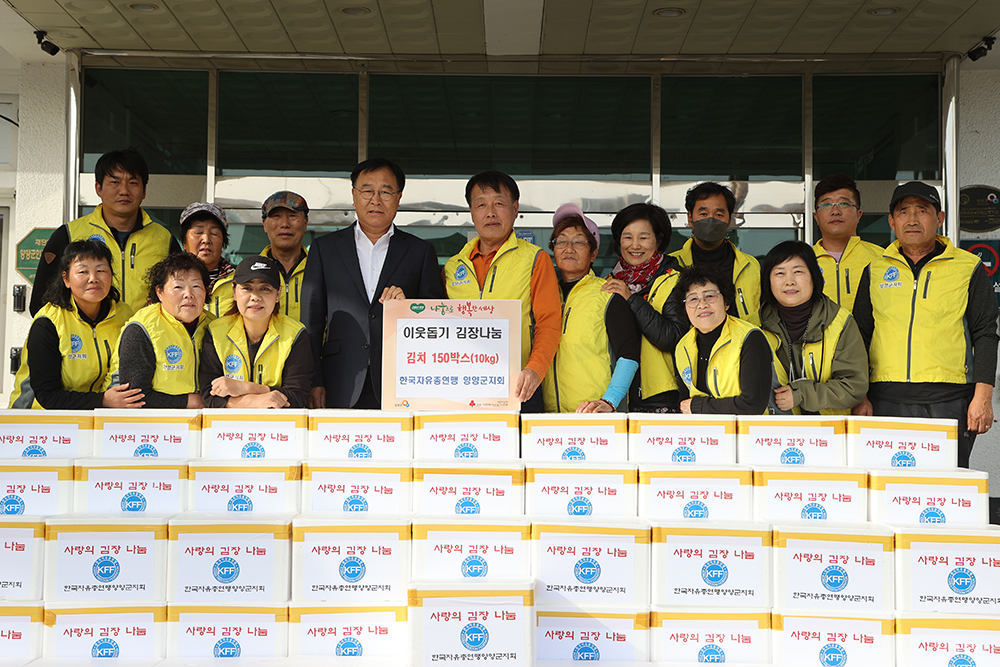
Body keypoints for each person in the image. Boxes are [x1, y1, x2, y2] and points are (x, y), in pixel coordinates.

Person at [852, 181, 999, 468]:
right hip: (885, 398)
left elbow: (985, 334)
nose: (913, 218)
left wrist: (983, 397)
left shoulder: (968, 267)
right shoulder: (875, 268)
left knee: (944, 485)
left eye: (923, 210)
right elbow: (861, 334)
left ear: (939, 218)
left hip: (949, 397)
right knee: (888, 485)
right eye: (903, 211)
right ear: (892, 221)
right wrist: (861, 395)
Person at [301, 158, 444, 409]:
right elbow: (311, 323)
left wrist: (409, 307)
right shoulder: (325, 249)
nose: (376, 199)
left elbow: (437, 318)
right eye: (367, 191)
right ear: (354, 196)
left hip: (402, 380)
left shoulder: (420, 251)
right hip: (339, 378)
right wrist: (315, 380)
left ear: (398, 199)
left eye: (386, 191)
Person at [443, 170, 561, 412]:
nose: (490, 212)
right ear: (471, 212)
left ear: (515, 208)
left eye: (499, 203)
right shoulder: (454, 266)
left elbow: (549, 323)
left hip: (519, 388)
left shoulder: (535, 259)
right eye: (481, 204)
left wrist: (535, 370)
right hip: (463, 387)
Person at [30, 148, 181, 316]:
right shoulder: (68, 235)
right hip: (87, 339)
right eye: (114, 182)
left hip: (147, 339)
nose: (124, 190)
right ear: (98, 188)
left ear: (144, 191)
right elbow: (41, 302)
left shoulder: (164, 240)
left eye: (133, 183)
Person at [10, 240, 143, 409]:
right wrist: (102, 401)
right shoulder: (48, 323)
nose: (93, 278)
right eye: (83, 271)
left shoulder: (125, 315)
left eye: (101, 270)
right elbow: (47, 395)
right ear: (66, 279)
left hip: (97, 418)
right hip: (40, 419)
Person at [542, 204, 640, 413]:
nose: (569, 248)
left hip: (596, 417)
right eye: (561, 241)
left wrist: (610, 401)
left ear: (593, 253)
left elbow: (629, 353)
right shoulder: (544, 295)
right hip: (549, 419)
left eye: (579, 242)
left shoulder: (608, 294)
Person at [758, 241, 868, 415]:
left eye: (798, 272)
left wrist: (802, 393)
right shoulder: (754, 326)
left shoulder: (839, 322)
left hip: (827, 431)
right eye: (779, 273)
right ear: (768, 281)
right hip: (773, 433)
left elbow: (853, 386)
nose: (789, 281)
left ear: (814, 277)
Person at [602, 202, 686, 412]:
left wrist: (631, 299)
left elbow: (673, 337)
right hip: (612, 395)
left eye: (644, 237)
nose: (635, 245)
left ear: (659, 239)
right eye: (627, 237)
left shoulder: (676, 280)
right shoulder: (609, 282)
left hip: (660, 397)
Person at [199, 256, 313, 409]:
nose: (255, 297)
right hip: (227, 429)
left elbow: (297, 397)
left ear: (278, 294)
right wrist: (256, 401)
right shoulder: (216, 332)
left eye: (265, 289)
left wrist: (245, 388)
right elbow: (209, 395)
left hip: (279, 429)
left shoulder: (295, 334)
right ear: (234, 291)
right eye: (247, 288)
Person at [107, 253, 212, 409]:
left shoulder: (214, 326)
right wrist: (194, 402)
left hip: (202, 423)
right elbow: (134, 398)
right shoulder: (142, 328)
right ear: (159, 292)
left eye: (196, 286)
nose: (188, 294)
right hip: (149, 426)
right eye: (178, 287)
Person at [674, 264, 774, 415]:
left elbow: (753, 405)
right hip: (705, 436)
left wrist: (699, 407)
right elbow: (684, 406)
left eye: (710, 296)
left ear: (726, 302)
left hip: (748, 434)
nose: (702, 304)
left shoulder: (750, 337)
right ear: (685, 309)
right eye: (693, 299)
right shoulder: (682, 347)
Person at [215, 191, 310, 322]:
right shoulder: (246, 274)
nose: (284, 224)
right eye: (276, 216)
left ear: (305, 223)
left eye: (292, 216)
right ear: (265, 224)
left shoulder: (320, 270)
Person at [671, 182, 760, 318]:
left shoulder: (751, 266)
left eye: (719, 215)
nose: (711, 220)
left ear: (729, 221)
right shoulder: (671, 266)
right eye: (703, 213)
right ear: (690, 218)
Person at [811, 174, 882, 311]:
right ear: (816, 217)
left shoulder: (881, 259)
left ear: (859, 214)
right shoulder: (804, 261)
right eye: (826, 204)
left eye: (844, 204)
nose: (835, 211)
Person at [179, 202, 234, 317]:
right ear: (184, 242)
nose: (206, 240)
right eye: (198, 232)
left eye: (214, 233)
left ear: (223, 243)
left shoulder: (240, 282)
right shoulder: (168, 281)